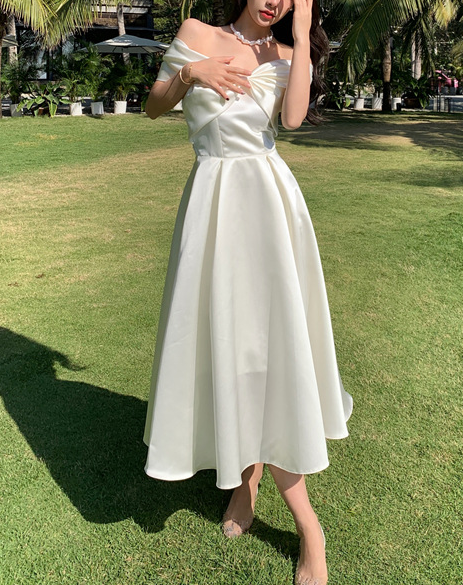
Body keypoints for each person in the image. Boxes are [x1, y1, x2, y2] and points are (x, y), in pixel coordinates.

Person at [143, 1, 353, 583]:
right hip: (211, 205)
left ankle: (309, 527)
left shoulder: (286, 51)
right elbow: (154, 107)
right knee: (226, 345)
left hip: (267, 205)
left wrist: (303, 36)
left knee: (271, 351)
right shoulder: (196, 33)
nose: (274, 2)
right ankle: (244, 479)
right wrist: (191, 73)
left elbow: (293, 120)